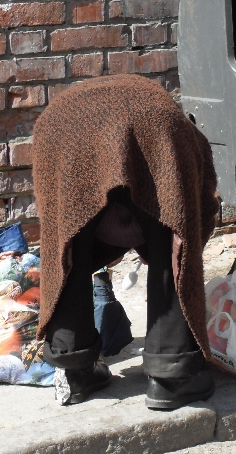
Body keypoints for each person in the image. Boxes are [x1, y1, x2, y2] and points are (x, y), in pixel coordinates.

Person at [33, 74, 221, 409]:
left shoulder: (69, 112)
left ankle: (76, 369)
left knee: (68, 241)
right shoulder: (188, 137)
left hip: (63, 127)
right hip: (151, 124)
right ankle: (172, 375)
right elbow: (191, 227)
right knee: (170, 235)